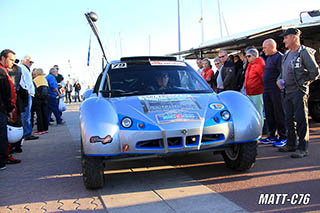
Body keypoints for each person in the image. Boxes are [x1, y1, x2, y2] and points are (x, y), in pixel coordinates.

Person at [277, 28, 319, 158]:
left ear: (294, 37)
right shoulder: (287, 54)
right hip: (287, 92)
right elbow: (282, 72)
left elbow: (315, 72)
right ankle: (291, 144)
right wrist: (279, 80)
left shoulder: (304, 52)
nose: (284, 40)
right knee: (289, 119)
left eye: (286, 37)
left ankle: (303, 148)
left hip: (298, 91)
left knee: (301, 119)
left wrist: (303, 82)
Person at [260, 39, 287, 147]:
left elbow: (283, 73)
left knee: (279, 113)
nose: (263, 50)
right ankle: (272, 135)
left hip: (276, 91)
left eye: (265, 47)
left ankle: (283, 136)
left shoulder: (279, 57)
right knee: (269, 113)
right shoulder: (269, 58)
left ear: (271, 47)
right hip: (267, 90)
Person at [0, 49, 17, 170]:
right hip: (2, 108)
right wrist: (9, 107)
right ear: (3, 58)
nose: (13, 62)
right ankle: (2, 160)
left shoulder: (5, 71)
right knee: (2, 134)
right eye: (11, 59)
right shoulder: (1, 72)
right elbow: (5, 92)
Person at [19, 56, 39, 140]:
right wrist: (26, 89)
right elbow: (21, 80)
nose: (31, 64)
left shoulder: (25, 69)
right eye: (30, 62)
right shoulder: (22, 68)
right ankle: (27, 133)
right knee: (26, 115)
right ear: (25, 61)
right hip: (27, 94)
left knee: (27, 114)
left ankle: (27, 132)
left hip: (29, 94)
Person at [244, 48, 265, 126]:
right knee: (252, 111)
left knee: (258, 111)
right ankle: (255, 127)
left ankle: (260, 129)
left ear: (255, 56)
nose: (247, 58)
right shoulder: (250, 65)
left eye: (249, 56)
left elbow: (263, 78)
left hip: (257, 92)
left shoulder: (259, 64)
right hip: (250, 92)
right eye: (246, 56)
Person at [32, 68, 49, 134]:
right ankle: (45, 128)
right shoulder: (44, 79)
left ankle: (40, 129)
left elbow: (33, 89)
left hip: (38, 98)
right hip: (45, 98)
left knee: (39, 114)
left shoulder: (35, 80)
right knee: (45, 113)